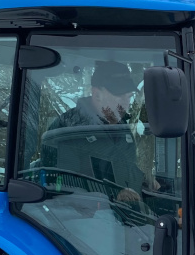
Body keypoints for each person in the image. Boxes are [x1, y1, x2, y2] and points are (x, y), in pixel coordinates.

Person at [46, 60, 145, 202]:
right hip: (80, 220)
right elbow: (62, 185)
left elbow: (124, 169)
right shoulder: (70, 129)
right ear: (97, 94)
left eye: (128, 96)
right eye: (119, 95)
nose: (126, 102)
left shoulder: (122, 128)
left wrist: (145, 181)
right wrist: (114, 194)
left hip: (124, 218)